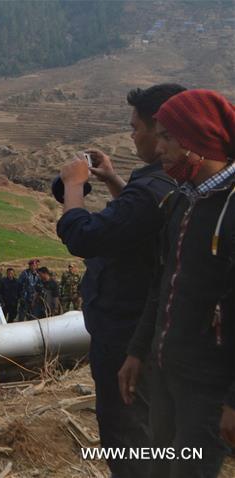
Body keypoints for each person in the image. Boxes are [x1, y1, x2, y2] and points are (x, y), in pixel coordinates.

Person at [57, 83, 184, 477]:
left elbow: (83, 236)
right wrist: (112, 179)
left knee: (127, 438)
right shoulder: (167, 184)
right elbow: (140, 225)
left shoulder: (151, 191)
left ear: (159, 129)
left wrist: (74, 185)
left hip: (126, 335)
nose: (131, 135)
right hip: (148, 330)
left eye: (135, 128)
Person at [119, 89, 235, 477]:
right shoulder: (180, 203)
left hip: (209, 390)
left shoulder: (231, 210)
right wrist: (138, 352)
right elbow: (161, 285)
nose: (160, 146)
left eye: (168, 137)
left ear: (197, 140)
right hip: (167, 373)